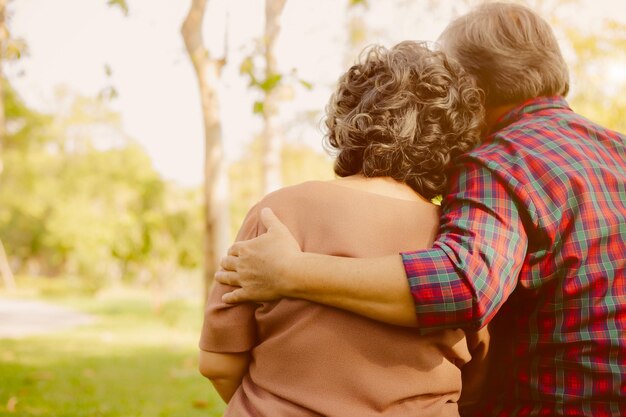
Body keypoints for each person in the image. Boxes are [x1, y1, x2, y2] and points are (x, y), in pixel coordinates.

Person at [216, 3, 626, 417]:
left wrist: (290, 272)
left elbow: (464, 286)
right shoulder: (618, 149)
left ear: (471, 90)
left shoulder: (498, 161)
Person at [199, 41, 489, 416]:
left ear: (347, 119)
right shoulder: (458, 238)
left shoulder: (277, 213)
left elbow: (217, 364)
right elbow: (480, 370)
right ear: (453, 143)